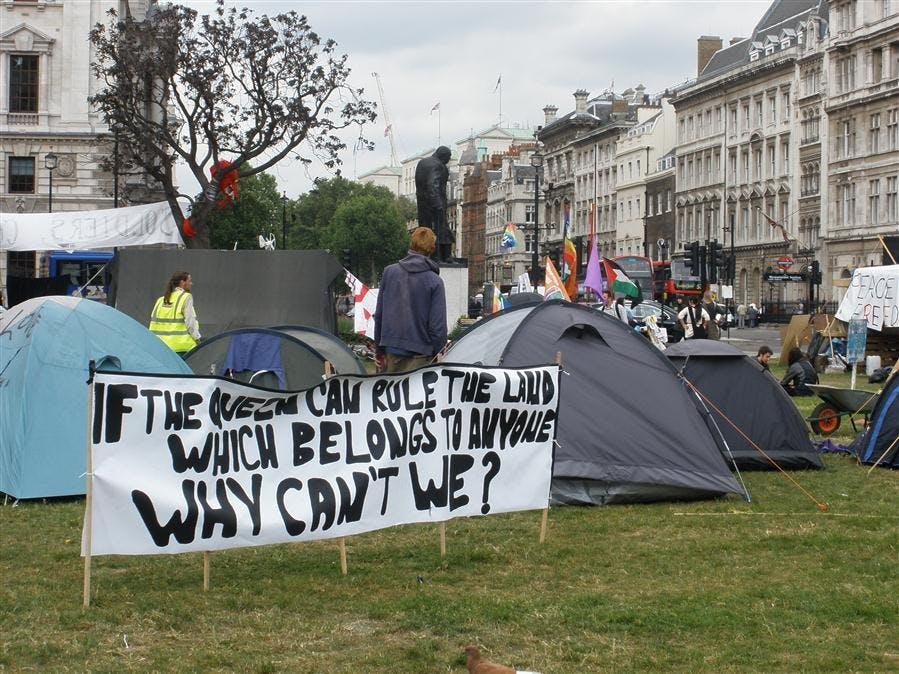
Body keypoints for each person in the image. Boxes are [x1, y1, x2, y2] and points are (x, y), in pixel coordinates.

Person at [373, 227, 447, 373]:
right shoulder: (435, 282)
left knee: (390, 395)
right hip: (421, 356)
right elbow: (437, 327)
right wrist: (440, 353)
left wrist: (379, 351)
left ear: (411, 244)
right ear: (431, 249)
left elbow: (379, 315)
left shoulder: (389, 273)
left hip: (391, 351)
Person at [414, 146, 453, 262]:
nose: (449, 160)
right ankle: (440, 257)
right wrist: (438, 204)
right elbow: (433, 184)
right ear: (444, 156)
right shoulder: (438, 165)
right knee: (440, 230)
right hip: (435, 203)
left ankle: (425, 255)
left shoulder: (422, 162)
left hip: (422, 204)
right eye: (448, 158)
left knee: (425, 230)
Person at [149, 271, 201, 356]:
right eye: (189, 280)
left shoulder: (160, 300)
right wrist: (197, 339)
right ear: (182, 282)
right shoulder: (186, 297)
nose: (191, 283)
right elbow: (190, 323)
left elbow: (153, 325)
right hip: (182, 348)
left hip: (161, 348)